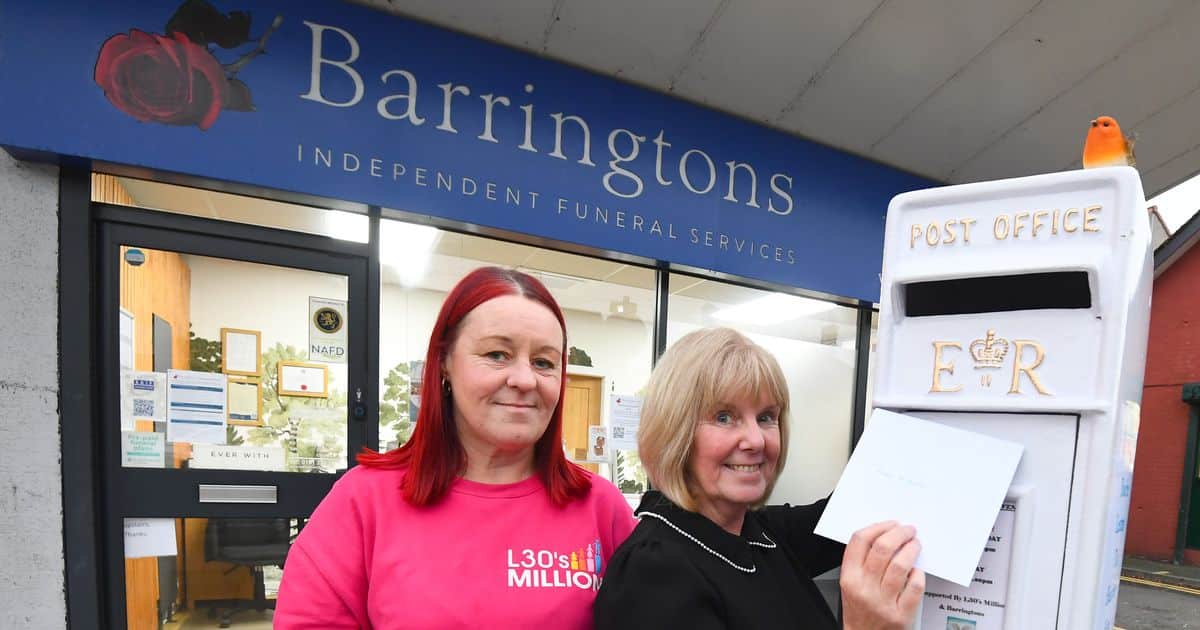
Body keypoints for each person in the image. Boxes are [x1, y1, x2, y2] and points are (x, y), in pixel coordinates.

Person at [275, 267, 636, 629]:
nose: (525, 379)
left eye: (544, 362)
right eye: (497, 354)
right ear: (444, 363)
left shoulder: (601, 508)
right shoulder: (365, 500)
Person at [594, 327, 924, 629]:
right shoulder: (653, 572)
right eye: (724, 417)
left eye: (766, 417)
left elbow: (858, 507)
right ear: (674, 431)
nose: (756, 440)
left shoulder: (761, 533)